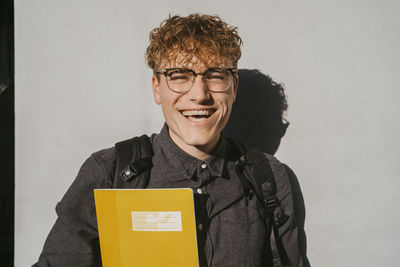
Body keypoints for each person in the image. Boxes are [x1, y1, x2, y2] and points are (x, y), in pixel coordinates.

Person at [34, 13, 310, 267]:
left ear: (233, 88)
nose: (199, 94)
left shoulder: (271, 179)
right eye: (179, 76)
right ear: (157, 88)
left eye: (214, 76)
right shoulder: (109, 173)